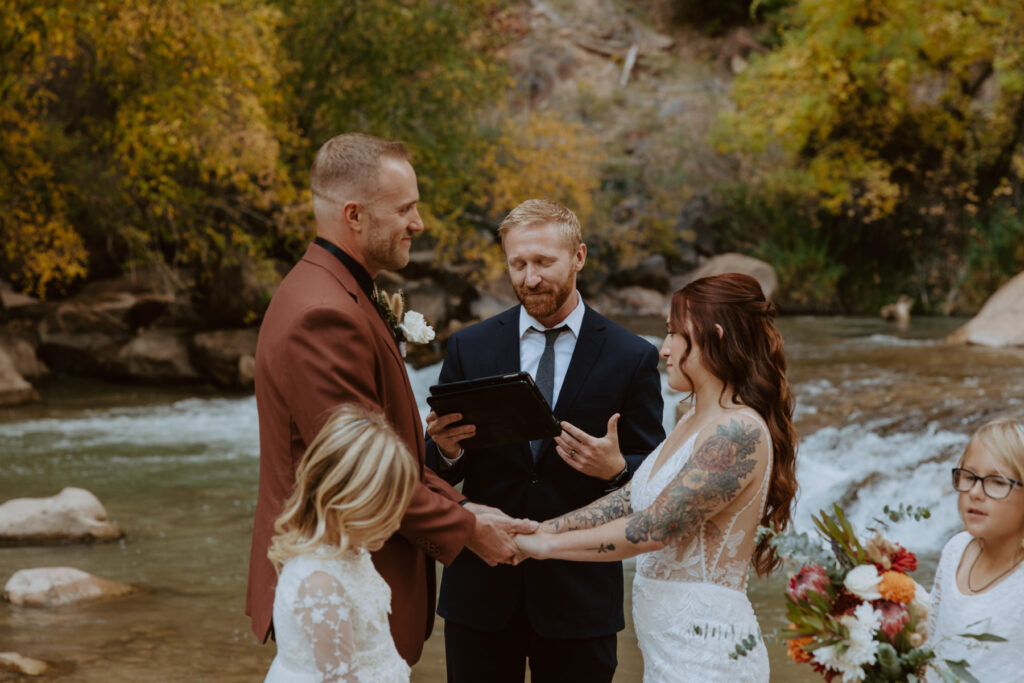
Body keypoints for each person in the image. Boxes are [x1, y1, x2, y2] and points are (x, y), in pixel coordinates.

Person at [246, 133, 535, 665]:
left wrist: (466, 505)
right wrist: (470, 527)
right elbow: (364, 475)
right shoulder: (323, 314)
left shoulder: (340, 290)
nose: (418, 223)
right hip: (333, 579)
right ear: (354, 216)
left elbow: (385, 450)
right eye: (405, 208)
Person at [514, 273, 798, 683]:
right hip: (668, 651)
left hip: (708, 654)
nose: (663, 350)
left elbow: (656, 527)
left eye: (673, 334)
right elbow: (631, 499)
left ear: (713, 336)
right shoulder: (691, 419)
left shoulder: (738, 431)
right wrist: (542, 527)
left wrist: (544, 546)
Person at [425, 199, 665, 683]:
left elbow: (658, 474)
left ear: (578, 257)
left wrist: (616, 469)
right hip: (481, 591)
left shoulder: (632, 356)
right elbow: (434, 468)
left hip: (579, 599)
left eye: (543, 262)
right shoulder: (469, 347)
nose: (530, 278)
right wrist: (448, 450)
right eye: (518, 264)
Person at [265, 404, 417, 682]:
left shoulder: (350, 552)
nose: (396, 525)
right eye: (385, 512)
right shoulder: (319, 584)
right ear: (346, 502)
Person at [927, 419, 1024, 682]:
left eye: (996, 482)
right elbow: (930, 639)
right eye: (969, 476)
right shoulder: (955, 550)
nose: (975, 492)